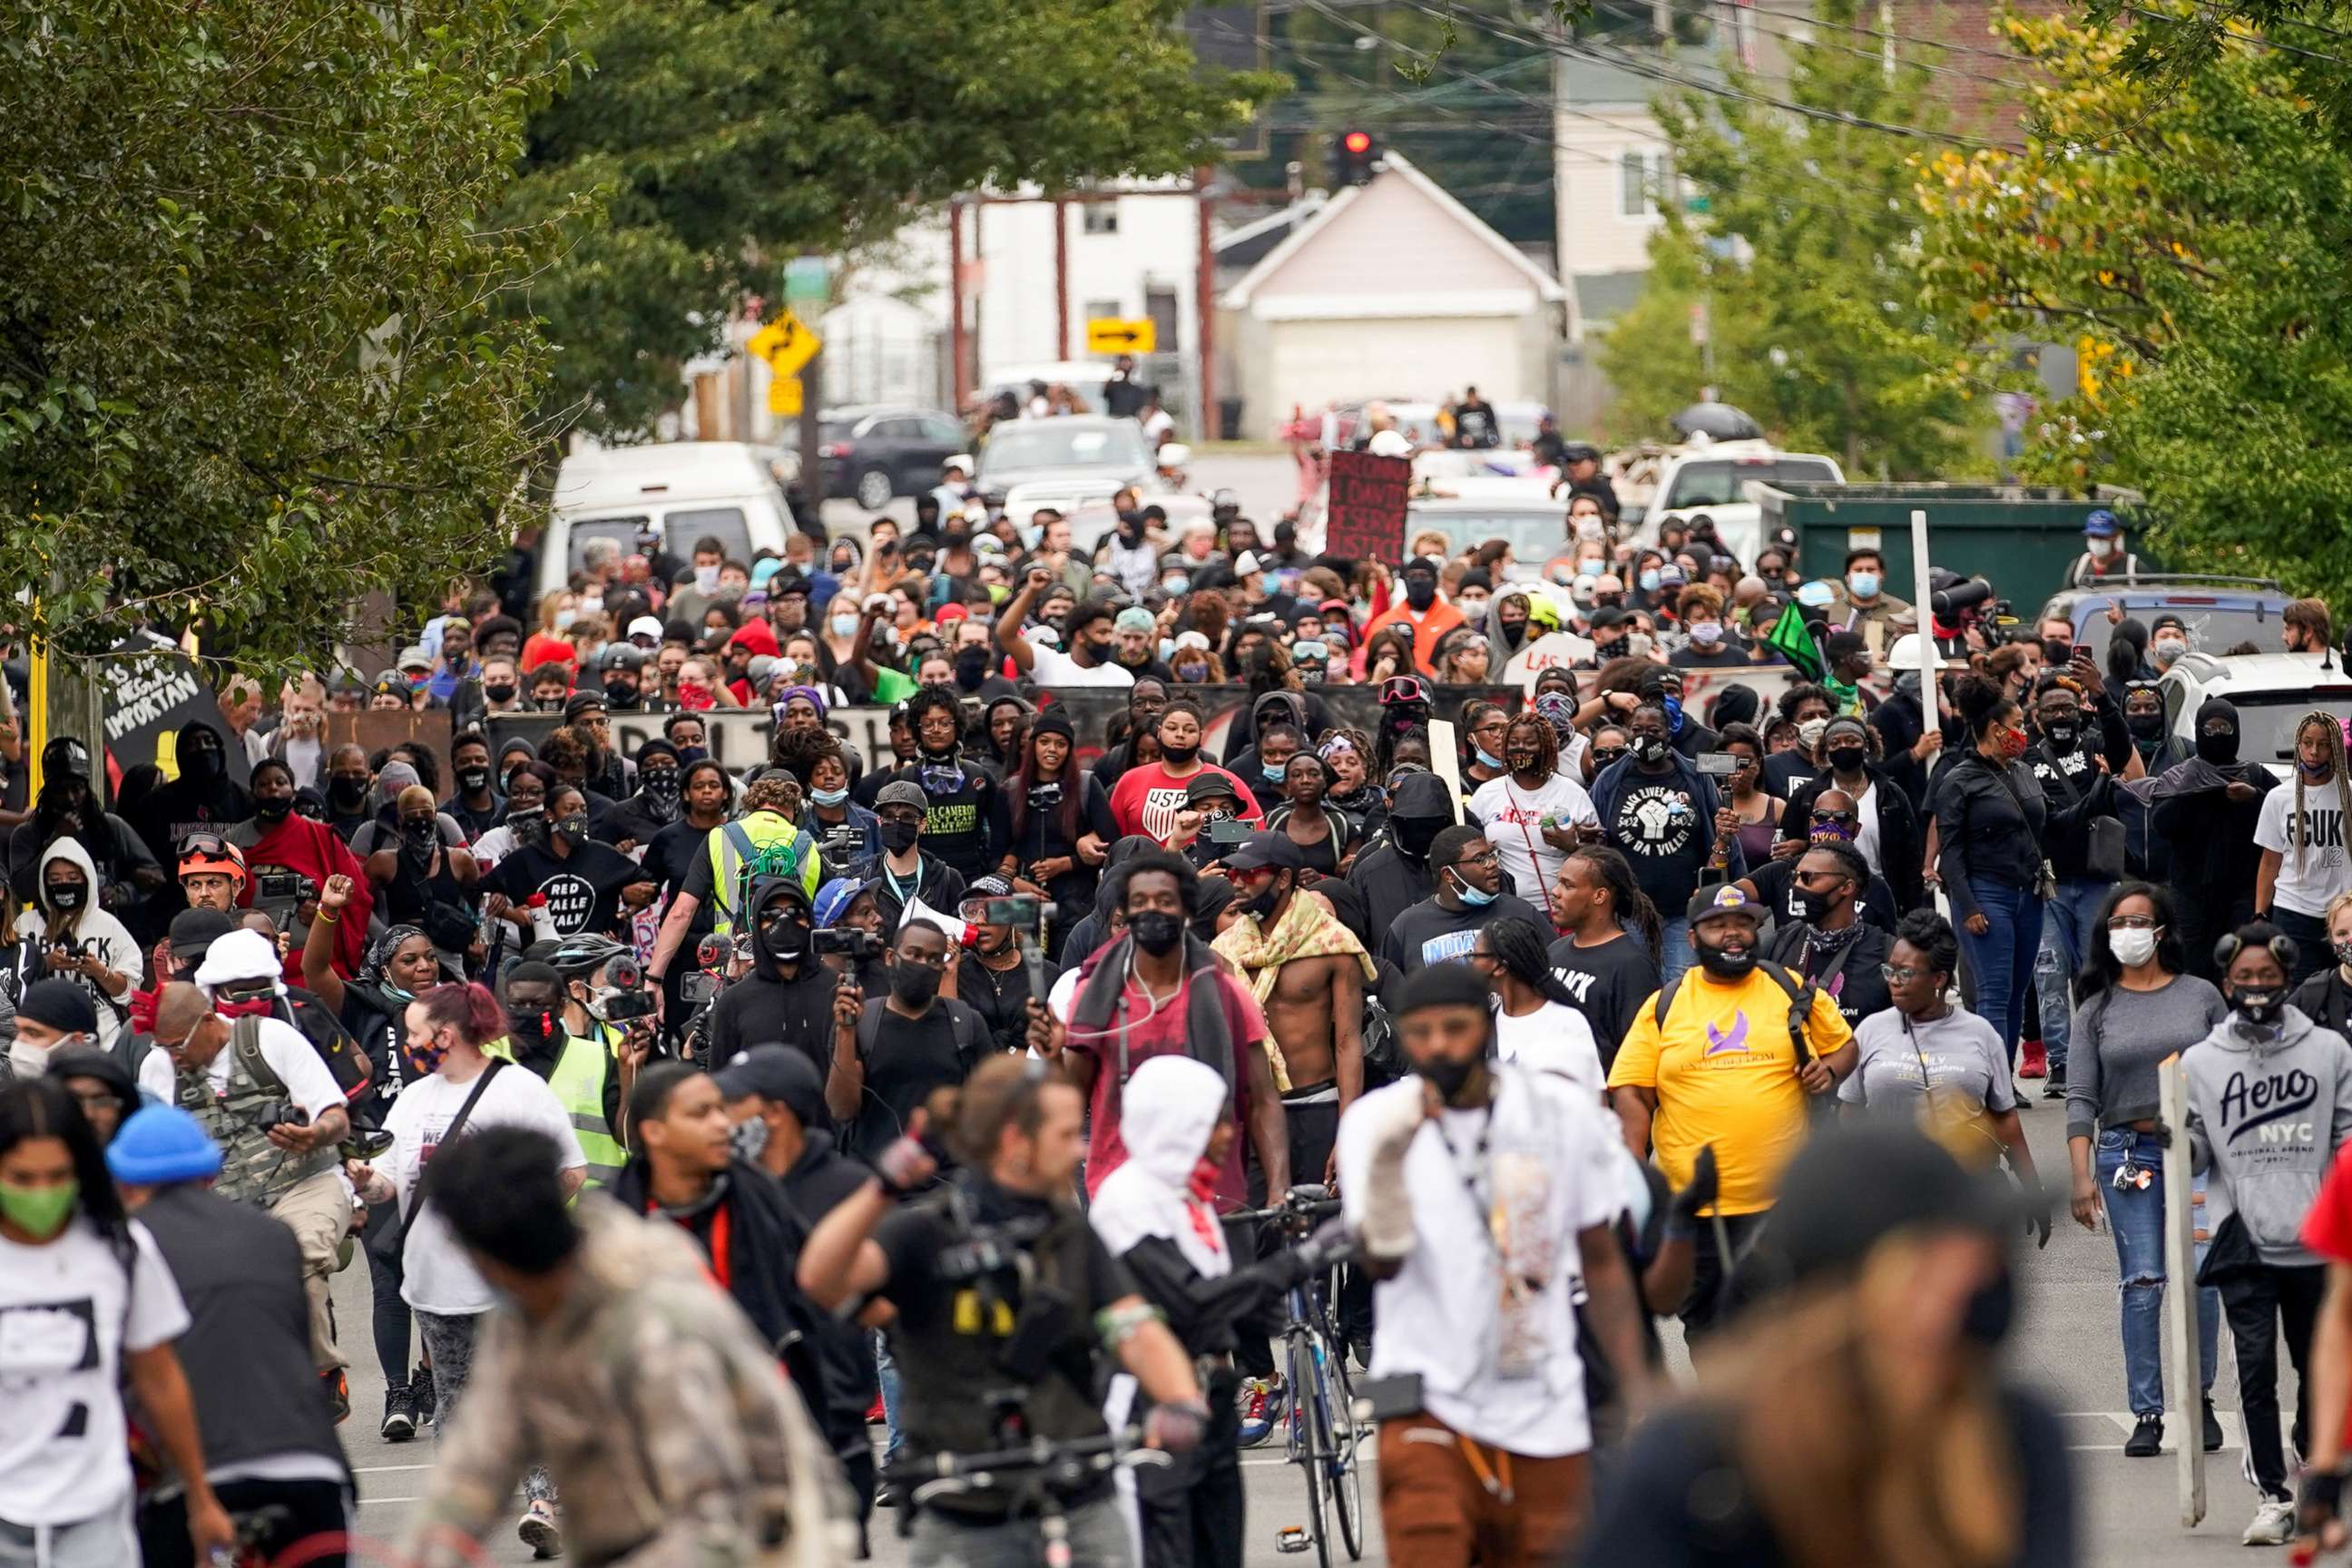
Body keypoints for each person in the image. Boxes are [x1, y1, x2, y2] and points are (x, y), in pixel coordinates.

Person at [1580, 1121, 2075, 1568]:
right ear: (1843, 1307)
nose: (1975, 1287)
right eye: (1932, 1270)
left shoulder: (2013, 1438)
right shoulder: (1699, 1468)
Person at [796, 1056, 1211, 1568]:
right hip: (961, 1512)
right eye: (1065, 1134)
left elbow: (1134, 1327)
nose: (1079, 1148)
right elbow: (820, 1278)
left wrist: (1181, 1399)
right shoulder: (924, 1233)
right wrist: (884, 1187)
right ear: (1017, 1142)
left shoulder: (1070, 1234)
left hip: (1079, 1495)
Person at [395, 1125, 851, 1568]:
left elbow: (715, 1516)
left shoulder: (649, 1314)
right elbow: (477, 1466)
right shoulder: (523, 1315)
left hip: (768, 1541)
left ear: (486, 1256)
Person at [1338, 963, 1650, 1566]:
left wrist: (1637, 1386)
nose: (1438, 1046)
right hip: (1426, 1401)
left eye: (1454, 1028)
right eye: (1420, 1032)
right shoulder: (1375, 1124)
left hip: (1542, 1401)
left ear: (1486, 1026)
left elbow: (1602, 1260)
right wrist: (1385, 1170)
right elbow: (1382, 1266)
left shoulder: (1557, 1113)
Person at [350, 983, 587, 1558]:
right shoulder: (412, 1101)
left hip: (509, 1283)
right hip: (434, 1283)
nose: (407, 1046)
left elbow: (570, 1171)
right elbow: (391, 1180)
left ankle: (545, 1506)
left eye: (413, 1034)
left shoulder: (519, 1091)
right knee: (455, 1405)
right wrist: (365, 1180)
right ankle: (463, 1518)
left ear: (446, 1035)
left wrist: (513, 1223)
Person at [1091, 1055, 1355, 1568]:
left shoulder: (1191, 1199)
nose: (1223, 1137)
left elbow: (1227, 1306)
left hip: (1209, 1409)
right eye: (1207, 1123)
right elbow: (1189, 1303)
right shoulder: (1128, 1201)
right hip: (1152, 1413)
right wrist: (1301, 1262)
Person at [105, 1105, 354, 1568]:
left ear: (124, 1181)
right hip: (308, 1464)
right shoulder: (273, 1236)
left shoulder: (123, 1246)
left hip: (191, 1479)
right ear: (210, 1172)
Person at [0, 1079, 235, 1567]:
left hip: (95, 1510)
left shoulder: (119, 1250)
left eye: (58, 1176)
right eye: (23, 1179)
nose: (42, 1194)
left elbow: (160, 1377)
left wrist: (199, 1494)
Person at [1606, 885, 1857, 1337]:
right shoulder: (1665, 1005)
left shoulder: (1789, 988)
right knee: (1710, 1328)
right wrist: (1634, 1174)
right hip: (1695, 1209)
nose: (1733, 935)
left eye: (1742, 924)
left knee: (1787, 1332)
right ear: (1694, 938)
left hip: (1783, 1201)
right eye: (1717, 926)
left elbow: (1844, 1047)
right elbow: (1632, 1091)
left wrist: (1831, 1071)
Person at [2183, 922, 2352, 1543]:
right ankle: (2273, 1496)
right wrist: (2181, 1141)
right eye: (2244, 978)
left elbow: (2346, 1139)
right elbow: (2197, 1149)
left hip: (2313, 1239)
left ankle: (2314, 1472)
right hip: (2242, 1238)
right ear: (2226, 982)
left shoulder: (2331, 1053)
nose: (2256, 987)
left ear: (2286, 976)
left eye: (2268, 976)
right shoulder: (2200, 1063)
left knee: (2319, 1369)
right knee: (2255, 1373)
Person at [2062, 880, 2226, 1456]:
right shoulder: (2096, 1007)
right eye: (2118, 923)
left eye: (2139, 921)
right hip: (2126, 1156)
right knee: (2143, 1282)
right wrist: (2081, 1177)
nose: (2128, 933)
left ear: (2161, 930)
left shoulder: (2202, 995)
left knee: (2201, 1276)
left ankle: (2199, 1395)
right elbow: (2080, 1096)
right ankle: (2147, 1411)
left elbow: (2228, 1080)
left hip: (2198, 1153)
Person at [1036, 848, 1290, 1208]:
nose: (1151, 911)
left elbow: (1263, 1100)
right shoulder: (1094, 997)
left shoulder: (1226, 993)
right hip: (1120, 1197)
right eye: (1139, 902)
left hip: (1210, 1195)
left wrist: (1279, 1189)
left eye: (1165, 900)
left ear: (1187, 911)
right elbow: (1072, 1098)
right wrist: (1053, 1057)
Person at [149, 975, 355, 1407]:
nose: (174, 1056)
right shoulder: (162, 1069)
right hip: (224, 1201)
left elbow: (336, 1116)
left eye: (178, 1045)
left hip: (305, 1182)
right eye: (165, 1047)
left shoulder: (269, 1039)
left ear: (208, 1021)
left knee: (297, 1254)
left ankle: (322, 1373)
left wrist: (315, 1133)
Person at [713, 1044, 881, 1532]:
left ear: (776, 1113)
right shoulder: (719, 1187)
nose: (721, 1119)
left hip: (830, 1428)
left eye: (733, 1104)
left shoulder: (850, 1189)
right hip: (741, 1430)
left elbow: (873, 1307)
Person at [1838, 910, 2043, 1215]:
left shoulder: (1981, 1034)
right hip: (1889, 1193)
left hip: (1969, 1191)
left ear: (1939, 978)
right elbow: (1850, 1113)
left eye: (1906, 973)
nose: (1893, 981)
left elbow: (2005, 1118)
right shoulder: (1870, 1029)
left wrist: (2032, 1192)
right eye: (1889, 970)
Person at [1934, 674, 2048, 1062]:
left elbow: (2048, 824)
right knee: (1994, 992)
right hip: (1986, 895)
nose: (2024, 732)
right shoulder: (1959, 780)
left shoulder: (2022, 771)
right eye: (2017, 725)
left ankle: (2004, 1079)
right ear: (1996, 730)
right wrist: (1967, 906)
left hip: (2029, 895)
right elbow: (1949, 852)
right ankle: (1991, 1080)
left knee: (2017, 990)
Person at [1588, 702, 1744, 984]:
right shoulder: (1610, 779)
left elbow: (1717, 837)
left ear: (1669, 735)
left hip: (1681, 911)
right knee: (1635, 988)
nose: (1644, 736)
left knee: (1678, 989)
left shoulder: (1694, 777)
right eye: (1636, 730)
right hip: (1629, 912)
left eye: (1653, 730)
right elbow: (1595, 837)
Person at [826, 916, 987, 1160]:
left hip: (947, 1181)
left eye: (934, 959)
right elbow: (842, 1109)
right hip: (875, 1179)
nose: (923, 964)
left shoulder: (967, 1024)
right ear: (891, 957)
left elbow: (986, 1110)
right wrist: (846, 1032)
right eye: (914, 954)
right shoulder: (860, 1022)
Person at [2154, 697, 2278, 978]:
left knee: (2243, 967)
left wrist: (2254, 798)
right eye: (2210, 730)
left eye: (2225, 729)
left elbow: (2285, 818)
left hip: (2243, 894)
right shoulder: (2184, 774)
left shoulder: (2255, 774)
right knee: (2194, 971)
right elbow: (2161, 824)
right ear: (2199, 731)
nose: (2218, 736)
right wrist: (2193, 792)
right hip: (2192, 895)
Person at [16, 836, 137, 1054]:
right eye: (55, 880)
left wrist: (100, 972)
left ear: (87, 878)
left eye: (73, 877)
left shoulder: (109, 926)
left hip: (104, 1043)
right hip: (39, 1042)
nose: (64, 884)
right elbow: (6, 980)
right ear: (44, 883)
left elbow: (130, 991)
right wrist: (46, 963)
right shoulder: (26, 924)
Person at [705, 874, 839, 1071]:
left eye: (796, 912)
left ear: (810, 919)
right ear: (757, 924)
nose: (785, 921)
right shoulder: (734, 1002)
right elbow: (721, 1084)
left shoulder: (838, 990)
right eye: (771, 915)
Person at [2257, 710, 2352, 985]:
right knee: (2300, 994)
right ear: (2298, 744)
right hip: (2294, 913)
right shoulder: (2278, 798)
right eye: (2308, 743)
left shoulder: (2348, 794)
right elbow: (2270, 861)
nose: (2314, 752)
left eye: (2323, 744)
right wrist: (2260, 914)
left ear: (2334, 748)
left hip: (2343, 912)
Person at [1546, 845, 1664, 1066]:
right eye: (1558, 881)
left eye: (1568, 885)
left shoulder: (1631, 965)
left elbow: (1640, 1051)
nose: (1556, 892)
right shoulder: (1554, 951)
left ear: (1599, 896)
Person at [1380, 826, 1548, 977]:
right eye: (1480, 859)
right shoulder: (1406, 927)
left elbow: (1554, 971)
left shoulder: (1521, 914)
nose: (1492, 864)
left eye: (1492, 855)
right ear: (1448, 875)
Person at [1468, 712, 1600, 905]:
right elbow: (1467, 848)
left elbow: (1600, 856)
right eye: (1514, 742)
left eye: (1530, 742)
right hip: (1504, 908)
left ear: (1546, 747)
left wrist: (1573, 846)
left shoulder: (1572, 792)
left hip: (1561, 909)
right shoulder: (1487, 793)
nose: (1520, 748)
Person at [1768, 841, 1895, 1031]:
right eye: (1794, 877)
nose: (1797, 886)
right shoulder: (1778, 945)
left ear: (1846, 887)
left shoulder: (1888, 952)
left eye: (1807, 877)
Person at [1473, 916, 1603, 1096]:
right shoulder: (1485, 1024)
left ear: (1500, 966)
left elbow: (1596, 1101)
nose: (1471, 964)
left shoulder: (1568, 1022)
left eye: (1475, 956)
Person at [1109, 700, 1261, 842]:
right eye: (1172, 728)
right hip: (1140, 869)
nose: (1180, 734)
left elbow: (1255, 834)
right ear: (1159, 732)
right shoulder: (1131, 780)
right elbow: (1112, 837)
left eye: (1189, 730)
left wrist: (1210, 838)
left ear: (1200, 736)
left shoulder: (1226, 781)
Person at [856, 779, 968, 931]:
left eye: (907, 817)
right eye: (888, 816)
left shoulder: (947, 879)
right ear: (879, 821)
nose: (897, 823)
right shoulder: (865, 881)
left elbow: (963, 935)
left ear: (922, 824)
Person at [995, 570, 1136, 688]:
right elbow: (1006, 635)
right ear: (1080, 636)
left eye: (1110, 633)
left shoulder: (1122, 678)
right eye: (1102, 633)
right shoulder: (1049, 663)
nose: (1109, 640)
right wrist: (1031, 591)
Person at [2062, 507, 2144, 587]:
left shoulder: (2133, 568)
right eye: (2093, 536)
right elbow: (2065, 598)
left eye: (2102, 536)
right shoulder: (2078, 568)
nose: (2098, 541)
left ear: (2115, 536)